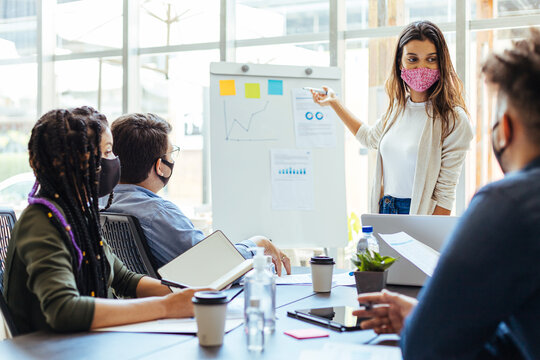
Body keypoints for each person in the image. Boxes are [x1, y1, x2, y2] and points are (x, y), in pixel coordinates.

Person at [353, 29, 540, 359]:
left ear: (505, 129)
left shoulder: (507, 206)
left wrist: (425, 323)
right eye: (412, 58)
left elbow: (425, 347)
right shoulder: (395, 111)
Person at [3, 107, 207, 334]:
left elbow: (126, 280)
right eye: (108, 151)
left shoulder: (80, 215)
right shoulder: (41, 221)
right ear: (78, 161)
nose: (115, 160)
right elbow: (63, 309)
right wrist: (166, 307)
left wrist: (189, 293)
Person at [311, 21, 473, 215]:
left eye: (431, 59)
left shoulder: (454, 119)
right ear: (400, 62)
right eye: (413, 59)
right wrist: (334, 103)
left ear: (442, 63)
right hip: (385, 208)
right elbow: (369, 138)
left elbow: (445, 194)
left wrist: (428, 240)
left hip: (419, 213)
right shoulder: (398, 109)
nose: (422, 67)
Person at [103, 113, 291, 275]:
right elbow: (215, 268)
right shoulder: (156, 213)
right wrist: (258, 243)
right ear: (160, 166)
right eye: (171, 154)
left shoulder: (102, 202)